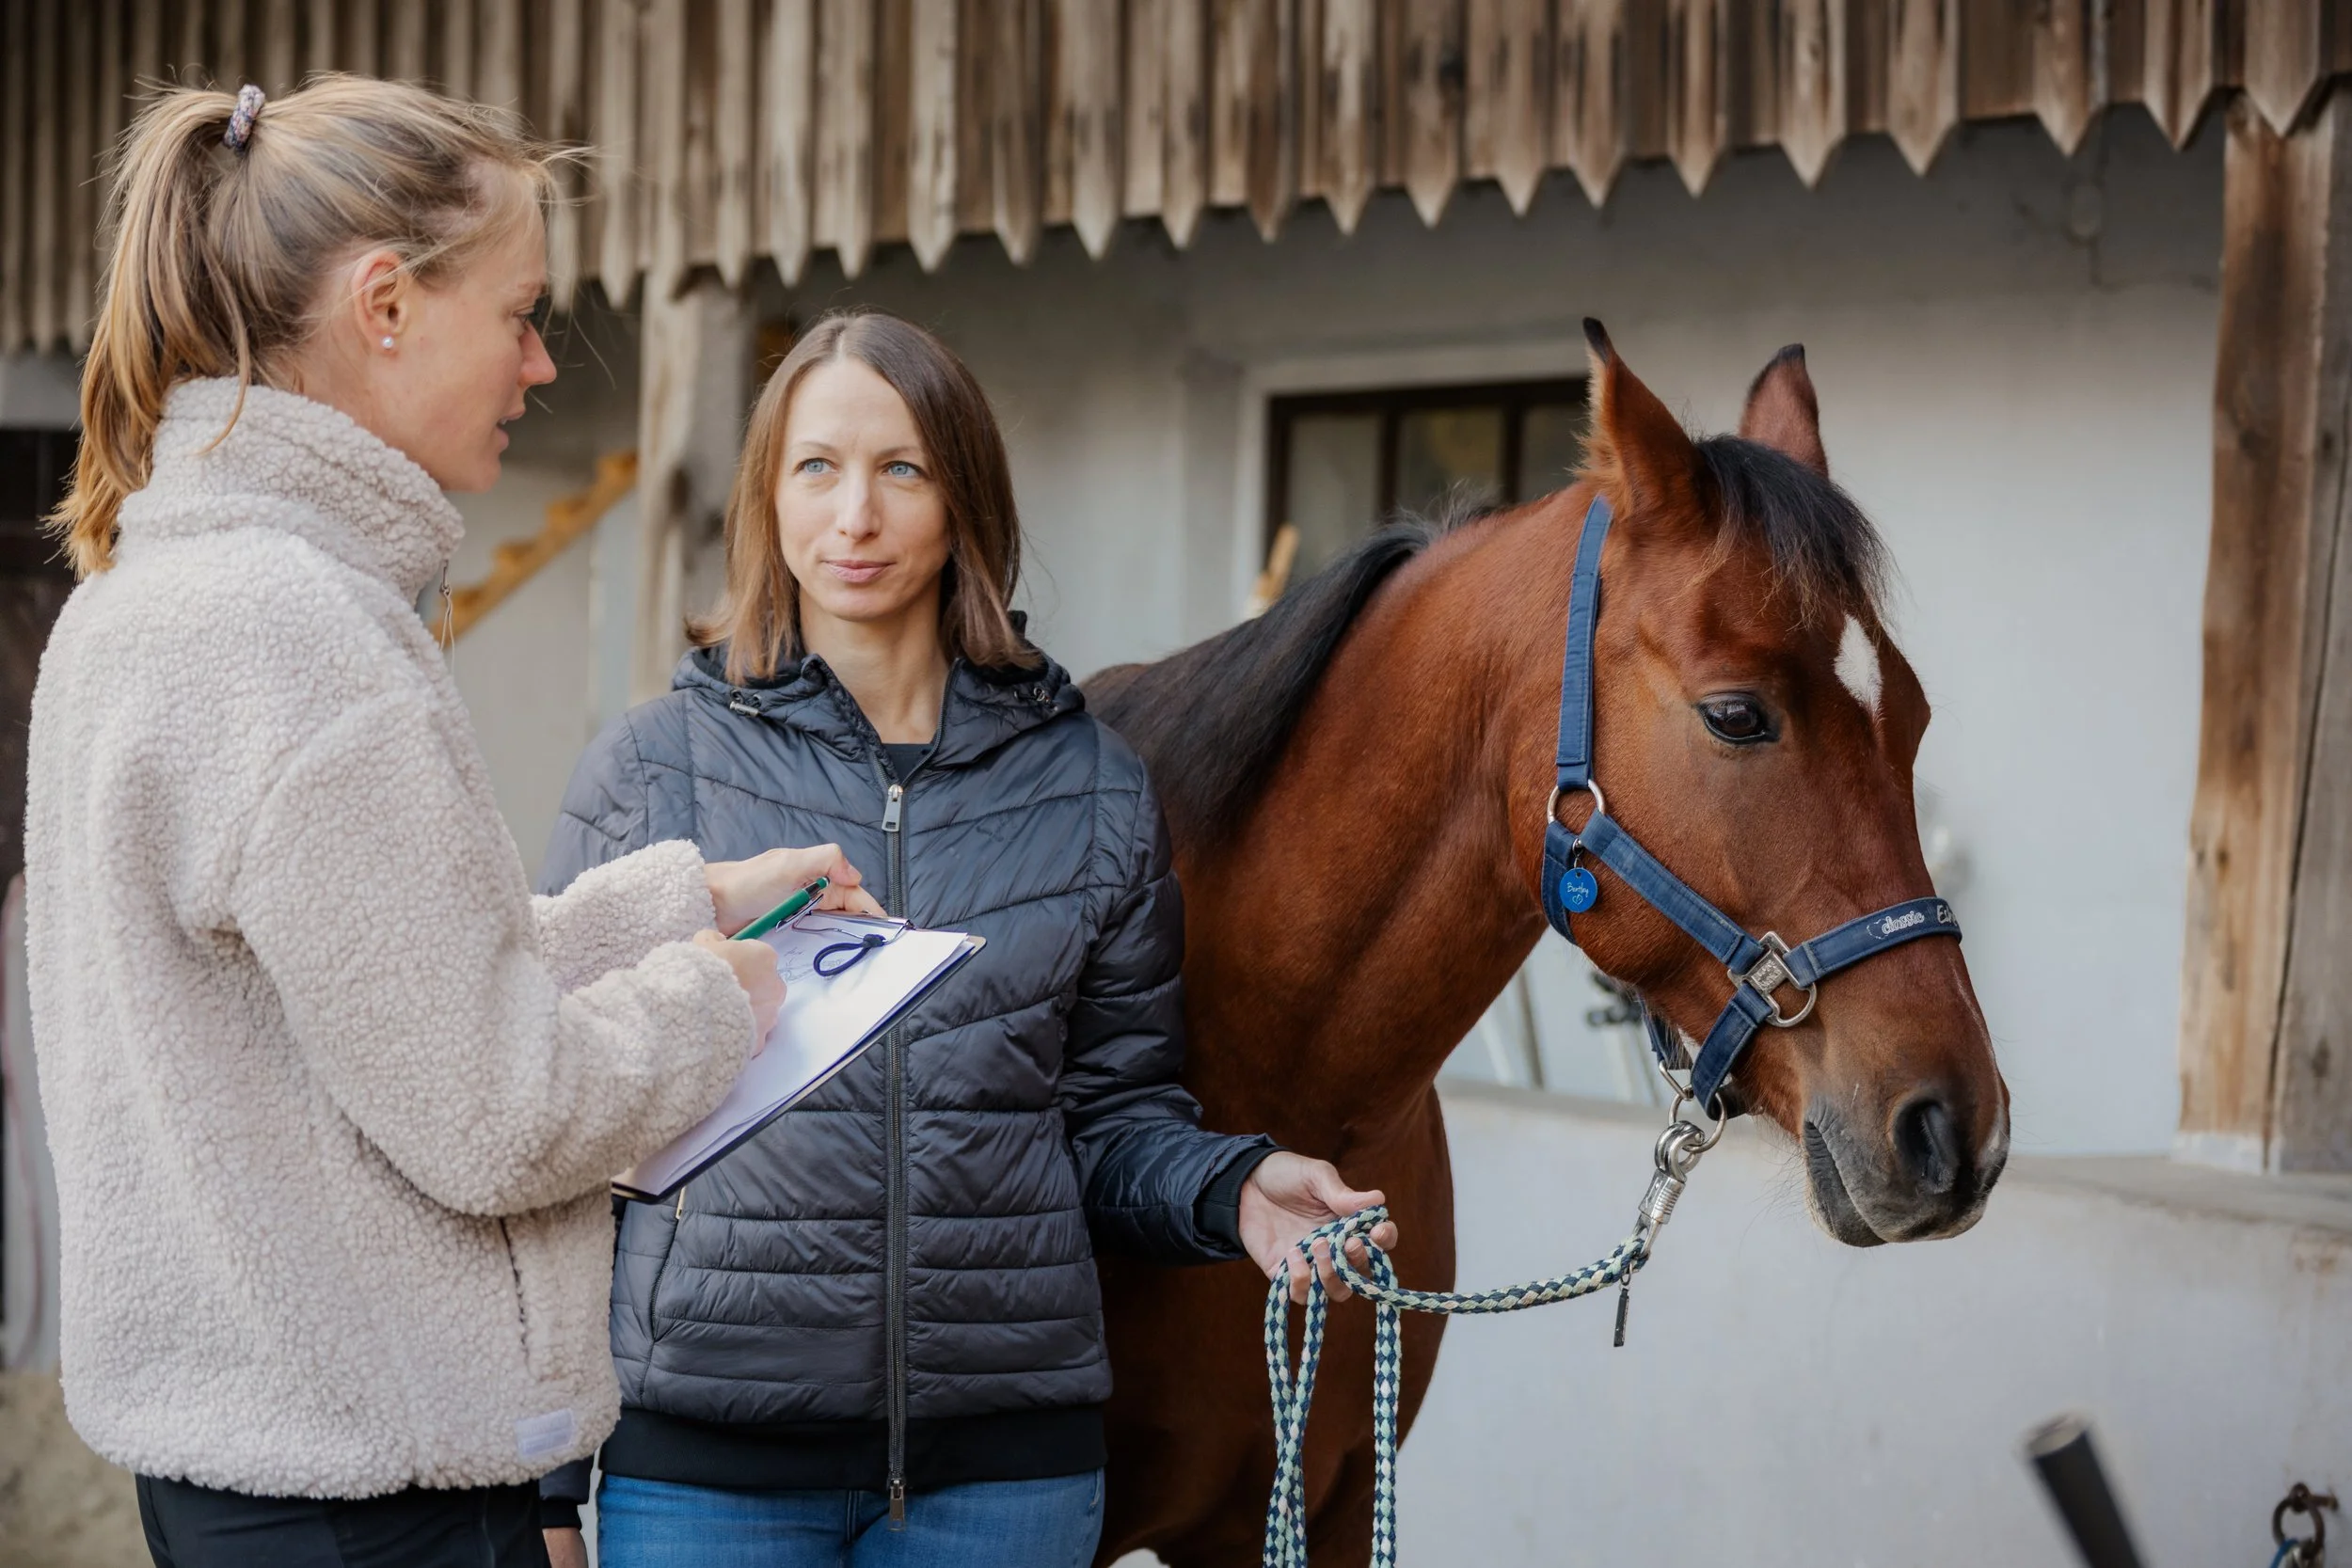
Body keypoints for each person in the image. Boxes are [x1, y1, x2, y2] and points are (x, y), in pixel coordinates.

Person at [27, 78, 876, 1568]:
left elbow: (374, 986)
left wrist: (686, 903)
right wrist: (720, 1002)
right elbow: (497, 1110)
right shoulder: (302, 631)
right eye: (524, 312)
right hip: (381, 1496)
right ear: (385, 305)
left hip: (251, 1479)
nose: (544, 362)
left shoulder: (146, 599)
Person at [535, 310, 1398, 1568]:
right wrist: (549, 1486)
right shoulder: (651, 770)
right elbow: (566, 1135)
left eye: (902, 469)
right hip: (707, 1468)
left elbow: (1109, 1122)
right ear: (767, 497)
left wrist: (1231, 1184)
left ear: (963, 500)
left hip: (1002, 1480)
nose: (856, 518)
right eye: (816, 468)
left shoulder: (1094, 789)